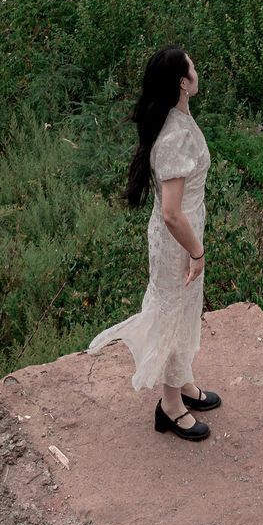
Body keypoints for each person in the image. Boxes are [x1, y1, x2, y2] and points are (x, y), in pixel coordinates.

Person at [86, 44, 219, 441]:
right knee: (171, 314)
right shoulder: (175, 136)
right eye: (192, 66)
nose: (197, 69)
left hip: (182, 236)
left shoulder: (177, 119)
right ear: (183, 82)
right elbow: (171, 213)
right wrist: (197, 250)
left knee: (184, 308)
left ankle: (183, 382)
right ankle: (170, 406)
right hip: (179, 240)